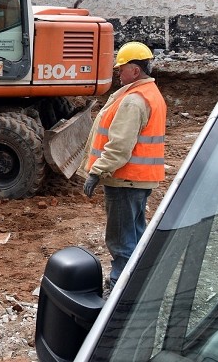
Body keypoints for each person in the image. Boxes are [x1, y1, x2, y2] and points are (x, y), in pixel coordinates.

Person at [81, 41, 167, 288]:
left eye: (122, 69)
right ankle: (141, 281)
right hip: (139, 179)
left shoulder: (133, 100)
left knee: (121, 239)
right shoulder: (150, 94)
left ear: (136, 71)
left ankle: (121, 288)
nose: (118, 73)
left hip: (125, 179)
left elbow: (119, 146)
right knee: (135, 232)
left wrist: (96, 172)